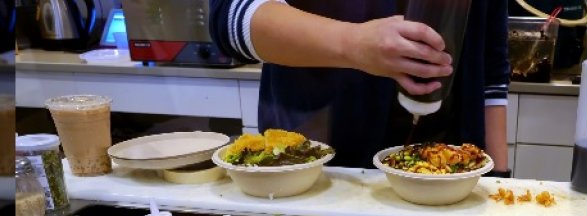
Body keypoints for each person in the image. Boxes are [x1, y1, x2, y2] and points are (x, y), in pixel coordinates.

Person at [209, 1, 511, 176]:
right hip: (316, 170)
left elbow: (491, 70)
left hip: (449, 171)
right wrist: (351, 44)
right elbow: (230, 18)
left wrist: (499, 180)